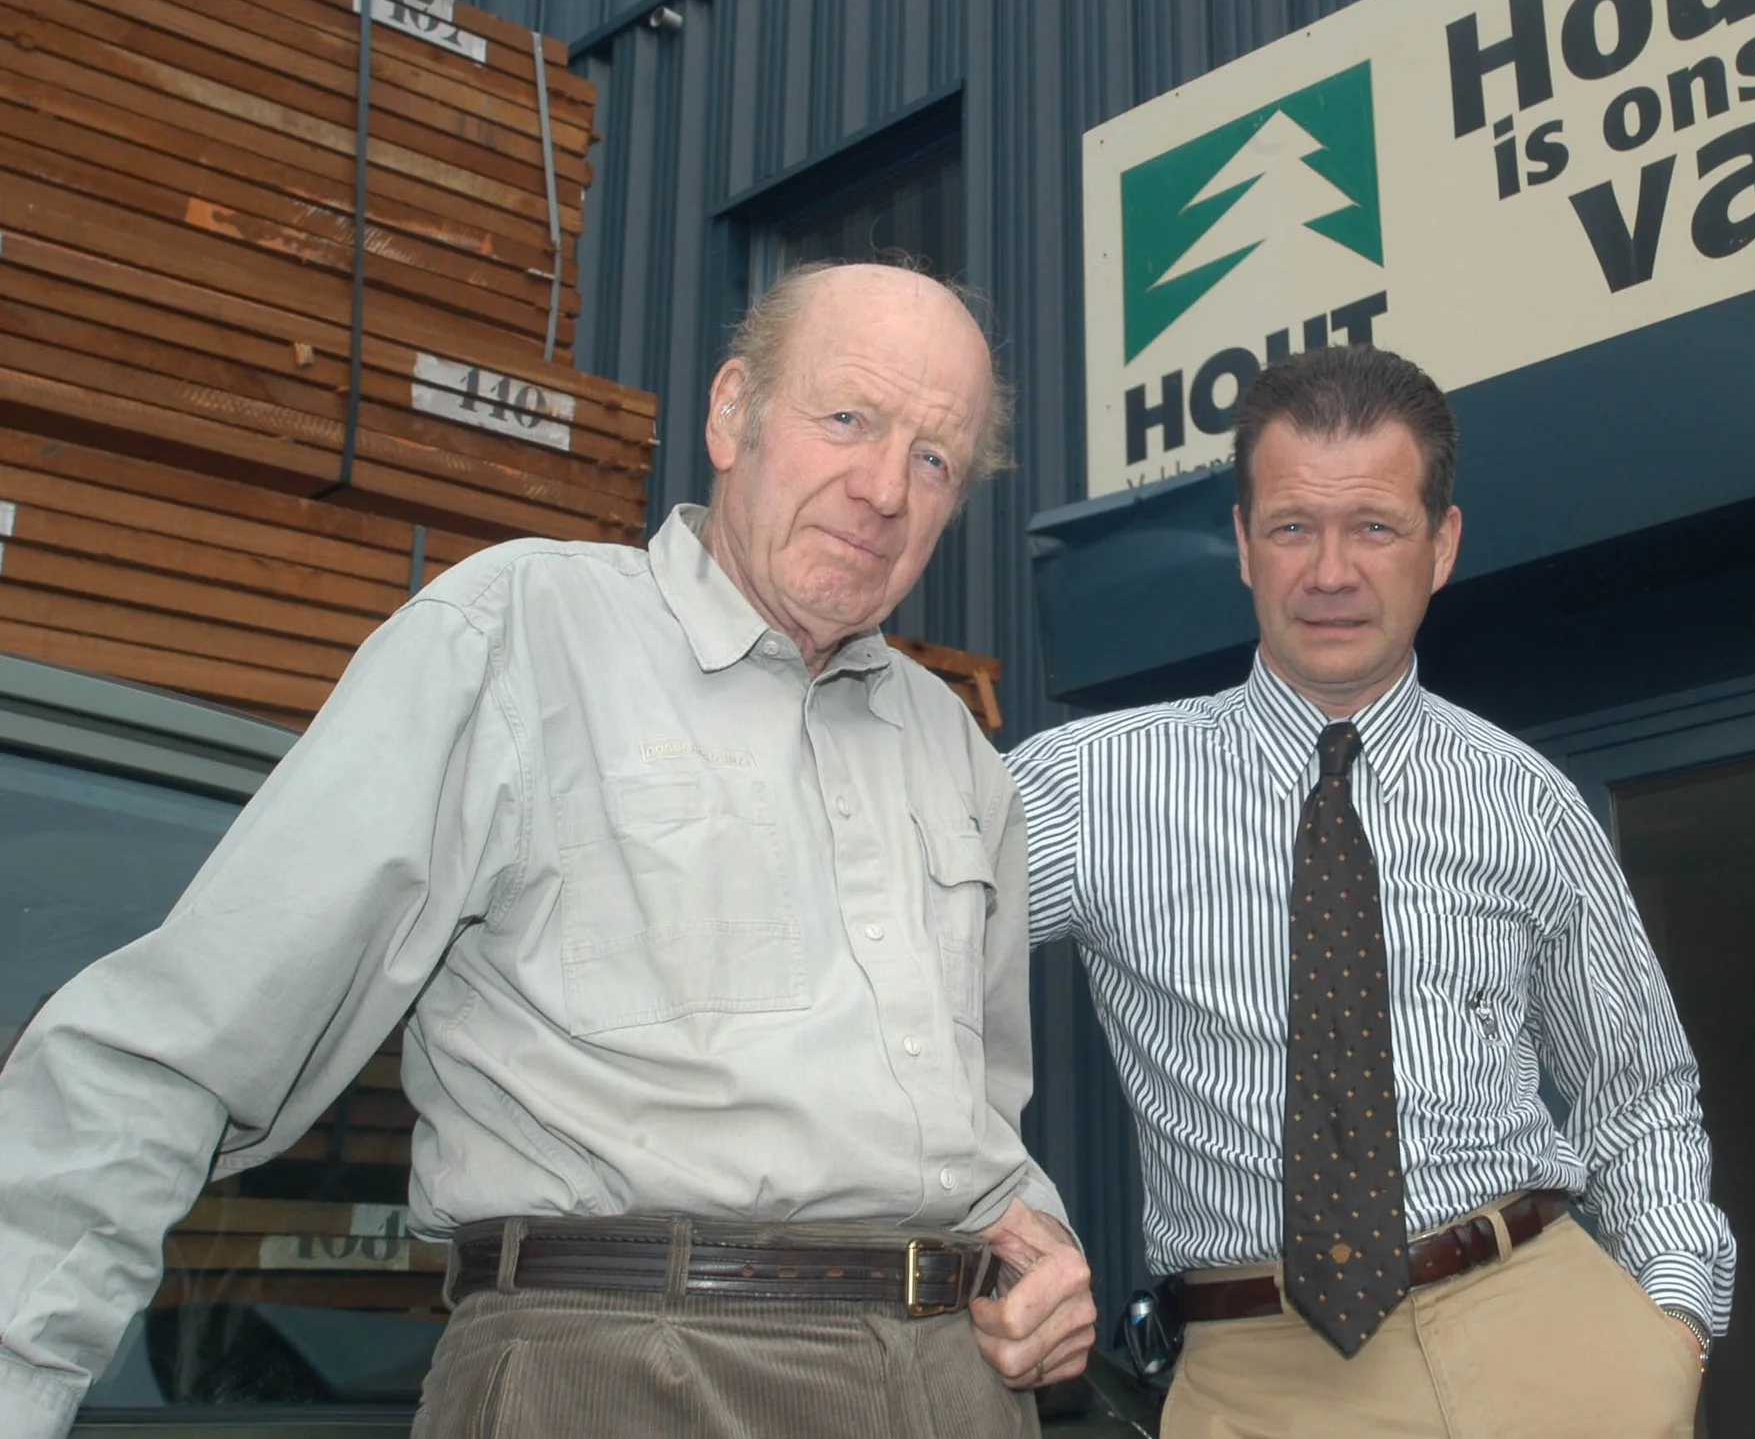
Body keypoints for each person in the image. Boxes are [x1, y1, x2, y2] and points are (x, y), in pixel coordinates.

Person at [0, 262, 1094, 1439]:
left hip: (957, 1395)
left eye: (935, 459)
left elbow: (982, 1133)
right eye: (849, 419)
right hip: (621, 1373)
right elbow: (176, 1051)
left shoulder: (958, 755)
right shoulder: (515, 637)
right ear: (733, 414)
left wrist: (1046, 1259)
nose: (885, 488)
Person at [1009, 345, 1734, 1438]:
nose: (1331, 571)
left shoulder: (1524, 798)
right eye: (1293, 526)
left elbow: (1637, 1090)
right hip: (1266, 1375)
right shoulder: (1087, 786)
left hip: (1559, 1338)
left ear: (1441, 546)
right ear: (1244, 547)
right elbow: (885, 977)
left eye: (1376, 527)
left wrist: (1668, 1329)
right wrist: (999, 1208)